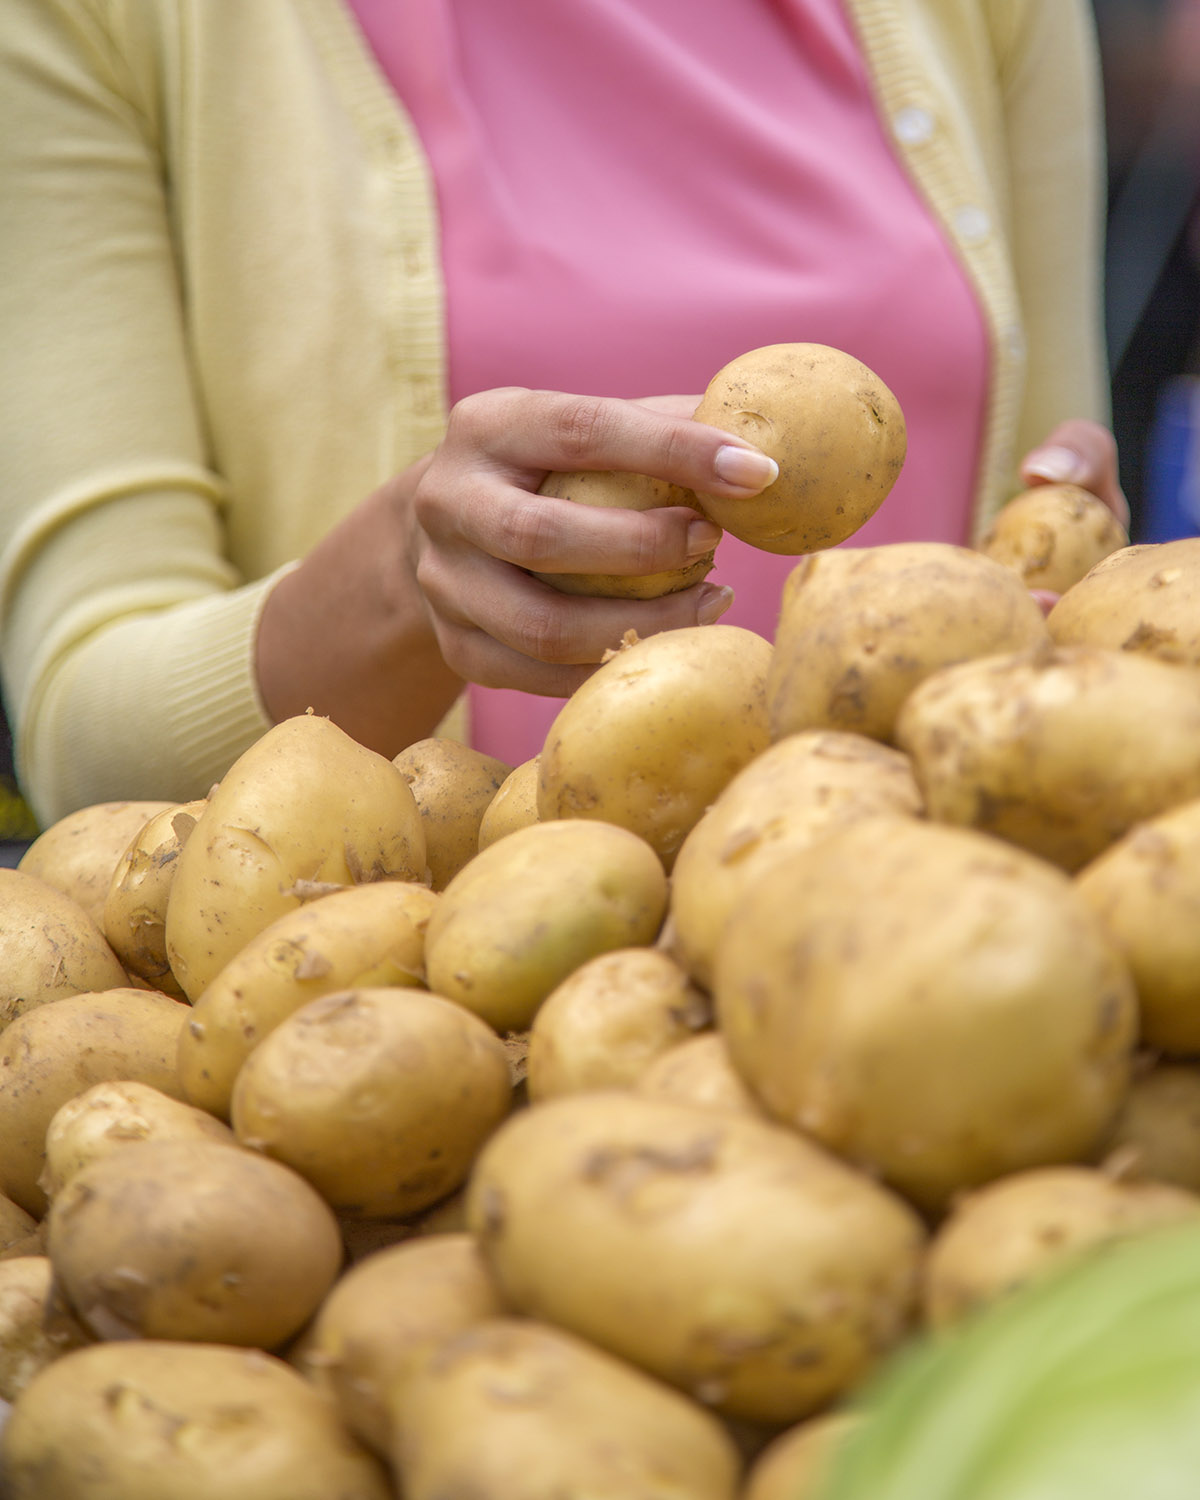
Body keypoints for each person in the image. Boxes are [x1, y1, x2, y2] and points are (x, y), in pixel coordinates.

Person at [0, 0, 1126, 829]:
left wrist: (1079, 563)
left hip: (919, 931)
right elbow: (80, 746)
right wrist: (407, 585)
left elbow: (1058, 506)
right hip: (437, 1032)